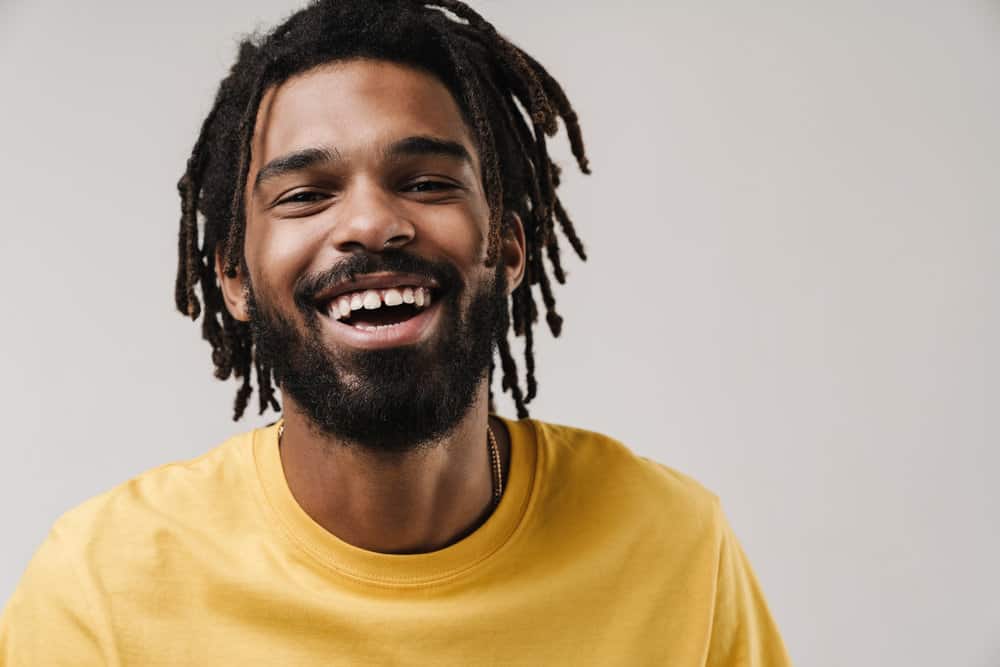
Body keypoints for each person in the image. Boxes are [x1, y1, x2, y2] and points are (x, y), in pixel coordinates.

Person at [0, 1, 792, 664]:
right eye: (306, 194)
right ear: (234, 276)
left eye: (425, 182)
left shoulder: (673, 543)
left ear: (508, 245)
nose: (373, 222)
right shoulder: (102, 588)